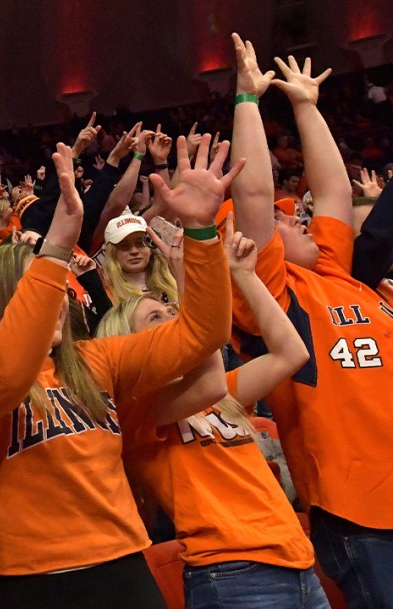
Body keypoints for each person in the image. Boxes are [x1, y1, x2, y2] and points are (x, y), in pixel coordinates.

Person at [0, 133, 241, 609]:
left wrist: (201, 230)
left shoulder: (96, 360)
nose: (57, 299)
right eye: (37, 290)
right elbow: (7, 371)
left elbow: (202, 333)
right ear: (1, 302)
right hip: (25, 585)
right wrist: (58, 243)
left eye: (60, 287)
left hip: (123, 570)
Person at [228, 35, 393, 609]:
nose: (296, 216)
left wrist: (306, 107)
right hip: (358, 510)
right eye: (283, 219)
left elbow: (333, 191)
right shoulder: (272, 294)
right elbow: (252, 193)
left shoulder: (336, 274)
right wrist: (247, 102)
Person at [97, 214, 330, 609]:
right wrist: (188, 280)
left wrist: (245, 275)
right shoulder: (135, 408)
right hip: (231, 571)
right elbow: (208, 373)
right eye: (155, 317)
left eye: (169, 310)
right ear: (126, 345)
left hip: (296, 560)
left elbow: (291, 353)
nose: (173, 318)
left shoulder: (218, 395)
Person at [99, 210, 179, 303]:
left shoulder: (175, 280)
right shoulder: (104, 292)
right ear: (111, 252)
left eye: (141, 243)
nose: (134, 251)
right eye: (124, 246)